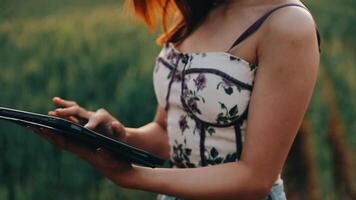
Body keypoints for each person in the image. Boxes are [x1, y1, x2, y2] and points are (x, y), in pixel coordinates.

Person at [33, 0, 321, 199]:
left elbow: (255, 179)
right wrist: (118, 134)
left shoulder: (287, 24)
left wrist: (132, 177)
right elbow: (166, 132)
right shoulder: (197, 11)